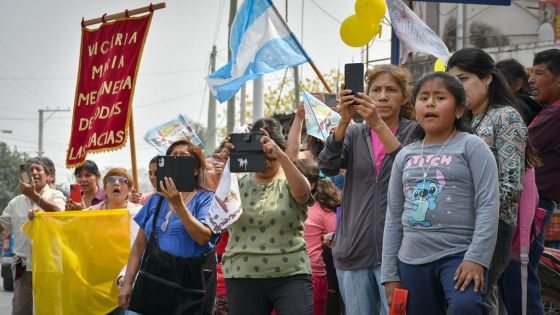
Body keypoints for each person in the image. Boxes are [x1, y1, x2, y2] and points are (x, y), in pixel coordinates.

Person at [382, 72, 500, 315]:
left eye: (440, 97)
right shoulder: (405, 155)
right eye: (423, 98)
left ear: (459, 110)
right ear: (415, 109)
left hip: (459, 255)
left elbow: (488, 204)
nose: (430, 103)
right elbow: (393, 217)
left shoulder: (472, 146)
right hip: (411, 260)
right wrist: (390, 275)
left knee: (465, 307)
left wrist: (477, 258)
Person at [318, 64, 417, 315]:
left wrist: (377, 123)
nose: (382, 96)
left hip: (398, 254)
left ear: (405, 96)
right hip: (352, 250)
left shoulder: (415, 132)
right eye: (376, 90)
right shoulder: (353, 132)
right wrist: (343, 121)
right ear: (366, 94)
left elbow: (410, 171)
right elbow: (327, 167)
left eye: (391, 90)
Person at [447, 48, 528, 313]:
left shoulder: (505, 117)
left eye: (464, 79)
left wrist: (467, 208)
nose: (457, 87)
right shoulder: (468, 120)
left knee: (469, 299)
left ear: (487, 79)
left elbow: (512, 185)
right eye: (453, 81)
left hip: (493, 226)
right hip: (460, 227)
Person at [220, 117, 314, 315]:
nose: (265, 163)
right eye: (259, 155)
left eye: (271, 156)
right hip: (242, 274)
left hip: (290, 274)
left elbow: (303, 193)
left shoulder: (290, 178)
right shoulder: (237, 183)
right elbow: (217, 205)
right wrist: (226, 163)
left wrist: (280, 154)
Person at [119, 138, 218, 315]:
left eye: (183, 157)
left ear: (195, 169)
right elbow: (139, 246)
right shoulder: (155, 199)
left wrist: (178, 205)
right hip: (150, 283)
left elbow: (203, 238)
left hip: (186, 291)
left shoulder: (206, 199)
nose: (177, 160)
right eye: (173, 157)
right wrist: (127, 283)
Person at [0, 157, 66, 315]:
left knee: (50, 310)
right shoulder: (16, 202)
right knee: (21, 310)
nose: (34, 173)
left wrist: (34, 195)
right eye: (31, 171)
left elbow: (59, 214)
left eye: (38, 169)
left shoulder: (57, 196)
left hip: (49, 266)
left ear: (50, 176)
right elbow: (3, 227)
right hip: (23, 266)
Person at [294, 159, 340, 315]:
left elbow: (340, 235)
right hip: (281, 275)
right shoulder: (279, 204)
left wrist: (330, 236)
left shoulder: (321, 210)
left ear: (311, 184)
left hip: (311, 278)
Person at [527, 49, 560, 239]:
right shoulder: (550, 111)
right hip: (540, 203)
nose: (531, 80)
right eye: (531, 73)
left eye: (539, 73)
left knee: (520, 266)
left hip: (535, 204)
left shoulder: (554, 114)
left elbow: (517, 148)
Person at [496, 58, 543, 124]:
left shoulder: (516, 108)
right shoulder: (530, 104)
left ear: (517, 85)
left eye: (499, 84)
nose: (494, 88)